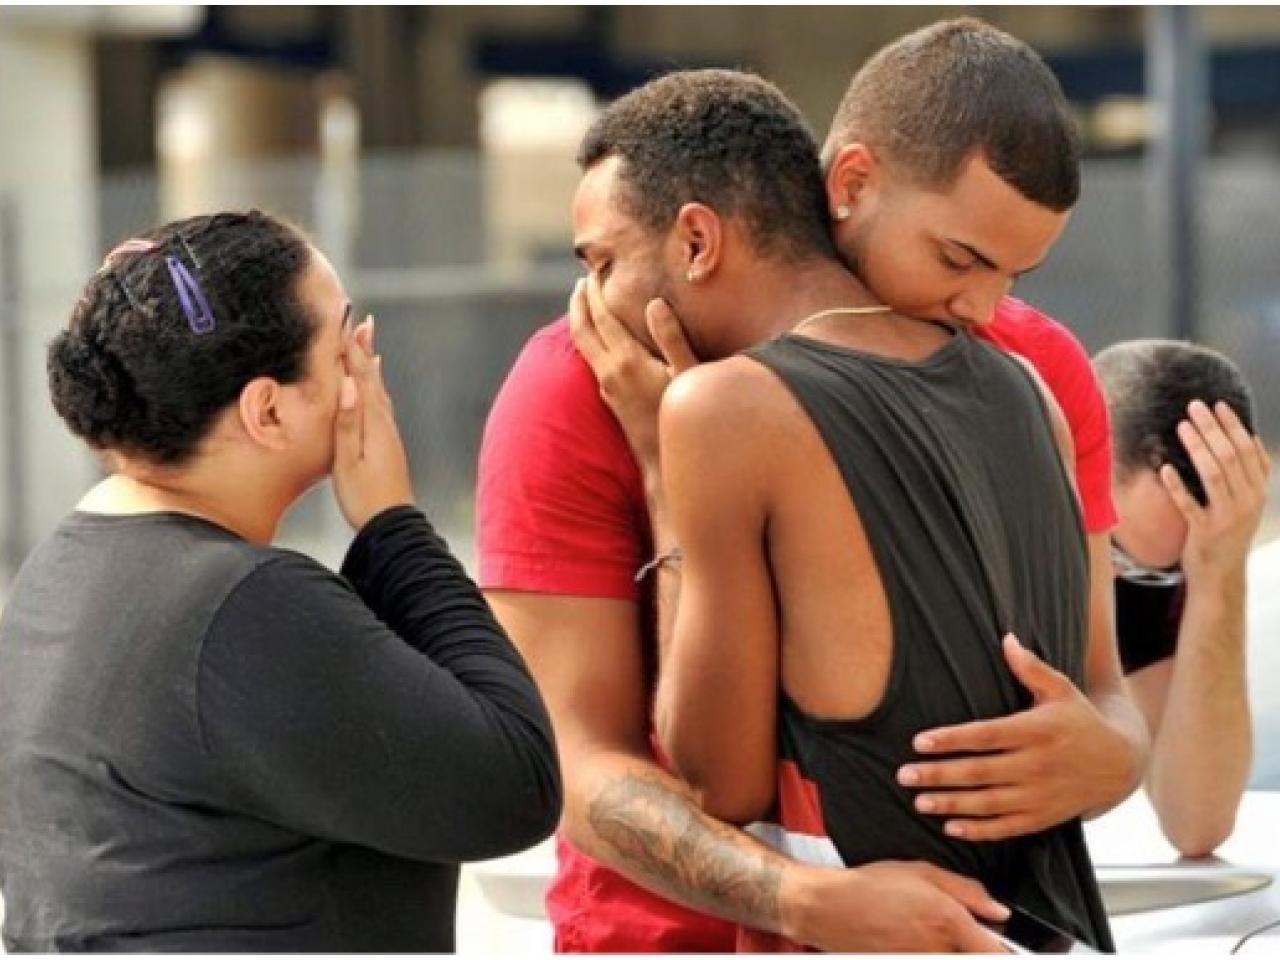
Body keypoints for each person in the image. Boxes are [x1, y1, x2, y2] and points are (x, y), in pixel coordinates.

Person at [477, 19, 1143, 953]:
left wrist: (1111, 756)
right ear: (851, 184)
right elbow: (577, 763)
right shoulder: (571, 386)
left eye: (1011, 272)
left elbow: (1108, 699)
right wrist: (801, 901)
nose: (984, 308)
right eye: (960, 259)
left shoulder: (1032, 365)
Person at [0, 211, 561, 951]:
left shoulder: (62, 572)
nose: (366, 366)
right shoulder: (240, 606)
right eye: (344, 345)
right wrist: (394, 525)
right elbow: (513, 786)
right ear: (267, 409)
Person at [1095, 339, 1271, 856]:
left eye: (1150, 573)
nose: (1111, 576)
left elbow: (1196, 822)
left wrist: (1218, 574)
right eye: (1113, 548)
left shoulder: (1156, 572)